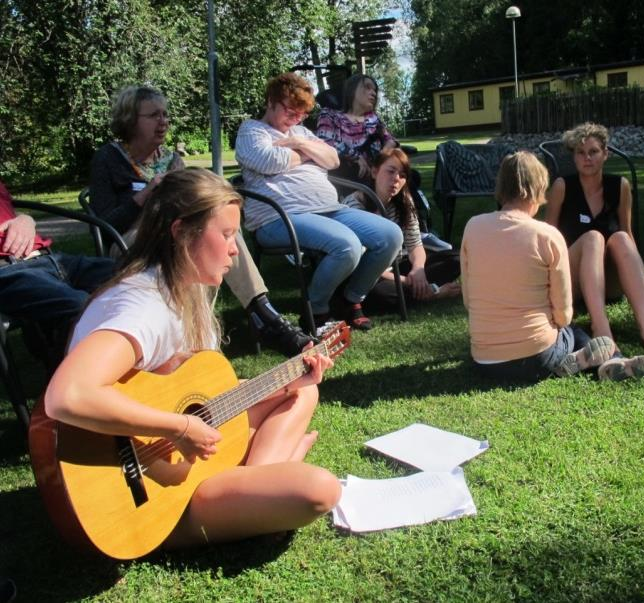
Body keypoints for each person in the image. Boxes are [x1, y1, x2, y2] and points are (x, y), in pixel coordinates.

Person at [44, 168, 341, 551]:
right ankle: (267, 490)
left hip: (175, 459)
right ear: (182, 231)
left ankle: (257, 492)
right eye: (227, 235)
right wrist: (180, 428)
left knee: (302, 393)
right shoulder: (142, 306)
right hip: (143, 491)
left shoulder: (184, 289)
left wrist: (286, 382)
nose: (236, 250)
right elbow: (67, 395)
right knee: (320, 489)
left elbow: (193, 393)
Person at [89, 84, 312, 356]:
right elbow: (104, 222)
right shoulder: (108, 159)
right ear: (130, 120)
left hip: (177, 230)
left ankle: (262, 313)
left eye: (165, 115)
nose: (163, 122)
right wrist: (145, 195)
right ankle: (231, 327)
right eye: (154, 116)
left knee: (221, 233)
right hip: (128, 240)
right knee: (195, 241)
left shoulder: (172, 161)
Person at [235, 72, 403, 331]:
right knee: (347, 245)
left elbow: (333, 159)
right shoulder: (251, 130)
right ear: (271, 101)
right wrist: (308, 154)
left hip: (330, 209)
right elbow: (268, 161)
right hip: (279, 217)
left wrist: (299, 142)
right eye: (291, 112)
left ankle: (350, 299)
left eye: (301, 115)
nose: (295, 120)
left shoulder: (300, 132)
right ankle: (316, 308)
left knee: (390, 235)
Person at [462, 151, 635, 383]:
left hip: (485, 362)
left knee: (564, 332)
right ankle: (612, 360)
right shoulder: (547, 235)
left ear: (501, 187)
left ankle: (579, 359)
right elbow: (563, 314)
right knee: (574, 331)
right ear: (538, 189)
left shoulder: (473, 227)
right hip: (537, 356)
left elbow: (467, 300)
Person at [546, 122, 644, 365]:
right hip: (571, 280)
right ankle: (601, 327)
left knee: (621, 238)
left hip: (608, 281)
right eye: (580, 153)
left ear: (606, 154)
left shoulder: (620, 186)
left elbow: (627, 233)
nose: (587, 158)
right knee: (593, 237)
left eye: (593, 152)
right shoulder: (562, 186)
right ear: (574, 157)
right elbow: (547, 237)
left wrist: (641, 273)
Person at [0, 179, 114, 365]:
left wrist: (25, 220)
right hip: (8, 270)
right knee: (79, 305)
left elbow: (9, 213)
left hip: (50, 259)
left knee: (136, 275)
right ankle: (63, 383)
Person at [342, 148, 461, 311]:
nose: (396, 179)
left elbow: (415, 242)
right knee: (379, 294)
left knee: (457, 258)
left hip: (399, 264)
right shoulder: (356, 206)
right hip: (371, 275)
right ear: (374, 172)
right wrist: (411, 281)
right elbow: (363, 265)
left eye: (403, 175)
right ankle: (433, 292)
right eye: (390, 171)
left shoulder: (404, 201)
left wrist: (418, 270)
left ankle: (419, 289)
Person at [316, 74, 436, 235]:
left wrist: (383, 157)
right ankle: (384, 231)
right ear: (352, 90)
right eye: (367, 87)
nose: (373, 92)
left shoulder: (373, 119)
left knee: (408, 176)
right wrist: (355, 156)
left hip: (376, 171)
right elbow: (324, 141)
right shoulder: (330, 115)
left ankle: (416, 230)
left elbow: (391, 140)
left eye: (375, 89)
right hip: (349, 172)